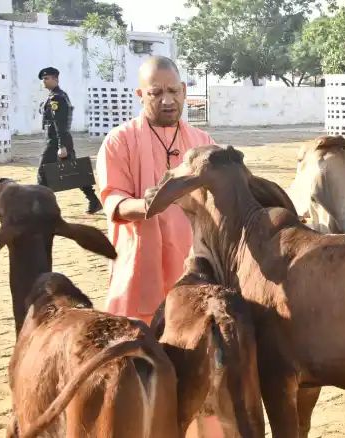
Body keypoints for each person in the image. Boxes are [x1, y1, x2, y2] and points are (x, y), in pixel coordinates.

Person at [96, 56, 221, 437]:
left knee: (203, 384)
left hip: (194, 285)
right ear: (140, 94)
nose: (166, 100)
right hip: (140, 281)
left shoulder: (202, 144)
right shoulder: (119, 141)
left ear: (184, 92)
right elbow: (113, 201)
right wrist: (150, 204)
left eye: (173, 91)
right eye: (156, 93)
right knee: (135, 386)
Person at [37, 67, 102, 214]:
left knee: (42, 173)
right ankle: (93, 200)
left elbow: (60, 123)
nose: (44, 81)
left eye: (47, 78)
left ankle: (43, 207)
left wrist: (61, 145)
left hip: (56, 142)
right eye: (43, 79)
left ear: (55, 79)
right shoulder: (55, 96)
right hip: (60, 140)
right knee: (75, 171)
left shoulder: (57, 98)